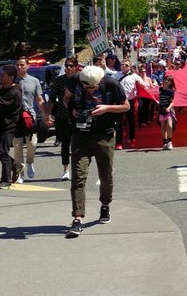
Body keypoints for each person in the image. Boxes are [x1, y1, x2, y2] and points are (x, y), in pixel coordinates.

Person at [63, 65, 129, 238]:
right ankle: (77, 219)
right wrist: (74, 110)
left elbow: (126, 106)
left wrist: (106, 108)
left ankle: (105, 205)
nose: (89, 90)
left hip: (104, 135)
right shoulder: (74, 80)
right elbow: (66, 98)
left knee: (105, 175)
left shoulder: (112, 84)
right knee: (78, 176)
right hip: (80, 135)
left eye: (93, 87)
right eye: (86, 87)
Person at [45, 57, 79, 180]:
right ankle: (66, 170)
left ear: (76, 67)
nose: (68, 68)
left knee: (78, 144)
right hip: (62, 116)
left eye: (71, 66)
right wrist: (48, 114)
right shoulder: (59, 81)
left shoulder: (80, 80)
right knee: (65, 143)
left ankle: (78, 169)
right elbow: (52, 99)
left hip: (77, 116)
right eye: (66, 66)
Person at [12, 58, 44, 183]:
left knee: (33, 143)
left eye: (22, 65)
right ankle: (20, 173)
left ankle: (30, 162)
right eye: (18, 65)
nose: (19, 67)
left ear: (27, 66)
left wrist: (46, 114)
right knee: (17, 146)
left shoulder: (34, 81)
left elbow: (39, 99)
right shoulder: (11, 80)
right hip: (15, 117)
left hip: (29, 116)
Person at [158, 74, 177, 149]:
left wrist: (169, 108)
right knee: (163, 127)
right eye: (166, 79)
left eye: (168, 80)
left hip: (168, 110)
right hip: (161, 110)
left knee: (169, 126)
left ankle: (169, 142)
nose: (166, 81)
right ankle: (164, 142)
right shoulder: (160, 89)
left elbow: (172, 102)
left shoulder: (171, 91)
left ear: (170, 83)